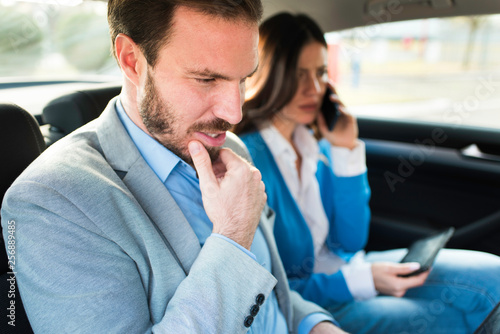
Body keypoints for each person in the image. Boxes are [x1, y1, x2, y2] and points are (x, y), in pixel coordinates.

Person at [0, 2, 346, 333]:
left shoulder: (230, 148)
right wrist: (233, 237)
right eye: (207, 79)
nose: (234, 114)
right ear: (132, 60)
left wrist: (313, 324)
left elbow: (267, 295)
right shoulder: (52, 200)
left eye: (242, 80)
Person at [234, 12, 500, 334]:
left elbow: (350, 240)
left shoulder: (317, 144)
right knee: (475, 307)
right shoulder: (248, 159)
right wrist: (359, 282)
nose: (314, 88)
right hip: (313, 307)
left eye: (320, 73)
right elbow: (270, 292)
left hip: (353, 270)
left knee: (493, 275)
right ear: (268, 74)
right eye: (297, 74)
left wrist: (346, 148)